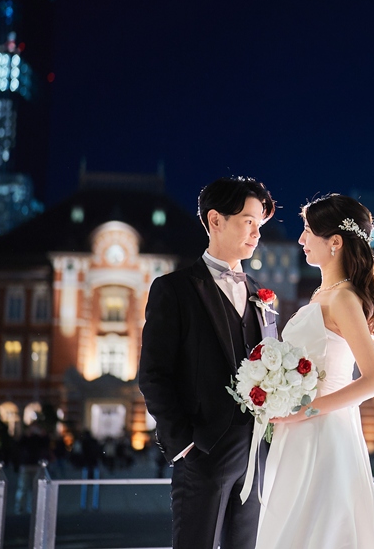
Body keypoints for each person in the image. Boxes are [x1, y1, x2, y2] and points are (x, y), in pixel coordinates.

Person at [139, 176, 277, 549]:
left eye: (259, 224)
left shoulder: (260, 295)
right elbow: (153, 374)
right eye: (248, 221)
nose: (256, 233)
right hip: (202, 452)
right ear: (215, 220)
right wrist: (184, 444)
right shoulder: (174, 289)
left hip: (256, 457)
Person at [256, 194, 374, 548]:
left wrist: (305, 411)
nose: (301, 239)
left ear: (334, 242)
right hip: (299, 430)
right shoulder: (323, 294)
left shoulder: (343, 298)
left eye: (307, 230)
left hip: (323, 431)